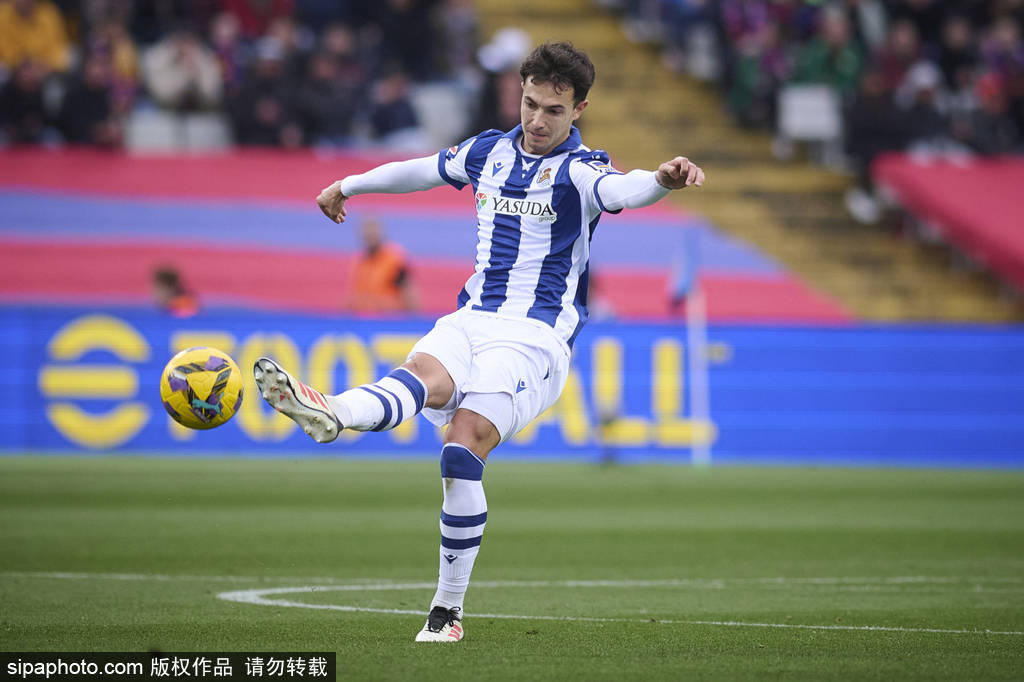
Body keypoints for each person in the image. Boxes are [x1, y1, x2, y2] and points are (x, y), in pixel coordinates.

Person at [252, 41, 705, 643]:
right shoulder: (488, 151)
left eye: (554, 110)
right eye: (530, 103)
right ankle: (332, 412)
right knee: (421, 377)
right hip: (472, 318)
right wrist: (349, 184)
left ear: (579, 110)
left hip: (534, 339)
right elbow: (419, 170)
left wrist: (664, 180)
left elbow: (627, 190)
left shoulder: (581, 170)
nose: (537, 120)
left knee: (460, 447)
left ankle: (446, 611)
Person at [344, 217, 417, 313]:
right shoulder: (360, 262)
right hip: (364, 318)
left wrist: (378, 304)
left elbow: (410, 300)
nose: (370, 236)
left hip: (388, 318)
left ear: (381, 233)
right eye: (367, 232)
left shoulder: (395, 261)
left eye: (373, 232)